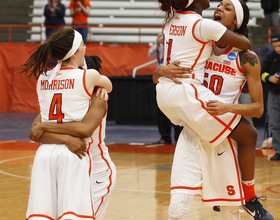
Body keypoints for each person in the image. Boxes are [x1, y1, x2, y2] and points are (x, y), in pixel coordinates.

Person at [154, 0, 273, 219]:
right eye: (219, 5)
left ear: (236, 21)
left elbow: (258, 109)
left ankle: (249, 199)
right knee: (178, 202)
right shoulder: (202, 44)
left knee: (228, 210)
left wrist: (228, 107)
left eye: (227, 8)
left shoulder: (247, 57)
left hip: (220, 126)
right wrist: (160, 70)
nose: (218, 9)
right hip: (196, 121)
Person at [20, 28, 112, 220]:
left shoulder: (42, 79)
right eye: (83, 45)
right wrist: (102, 86)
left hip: (45, 154)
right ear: (76, 51)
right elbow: (109, 85)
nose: (85, 48)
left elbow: (36, 131)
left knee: (42, 216)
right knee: (74, 216)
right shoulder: (88, 77)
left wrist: (46, 126)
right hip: (73, 155)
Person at [149, 33, 183, 144]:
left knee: (175, 108)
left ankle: (179, 137)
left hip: (173, 79)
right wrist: (158, 44)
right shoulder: (159, 46)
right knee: (161, 109)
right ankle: (165, 137)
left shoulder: (174, 44)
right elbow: (150, 55)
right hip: (160, 78)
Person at [261, 36, 280, 161]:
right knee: (274, 124)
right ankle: (278, 151)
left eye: (279, 46)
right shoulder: (270, 57)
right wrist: (269, 78)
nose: (277, 49)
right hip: (273, 94)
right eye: (275, 46)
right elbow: (262, 73)